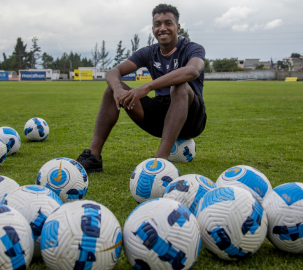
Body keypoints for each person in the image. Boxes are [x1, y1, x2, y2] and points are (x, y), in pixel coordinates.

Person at [77, 3, 207, 173]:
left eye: (168, 23)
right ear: (153, 28)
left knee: (179, 87)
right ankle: (93, 157)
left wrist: (147, 87)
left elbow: (192, 71)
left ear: (178, 27)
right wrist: (117, 90)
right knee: (112, 89)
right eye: (157, 24)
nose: (163, 28)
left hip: (192, 119)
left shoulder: (192, 49)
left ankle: (160, 162)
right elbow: (113, 72)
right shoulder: (148, 53)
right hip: (161, 117)